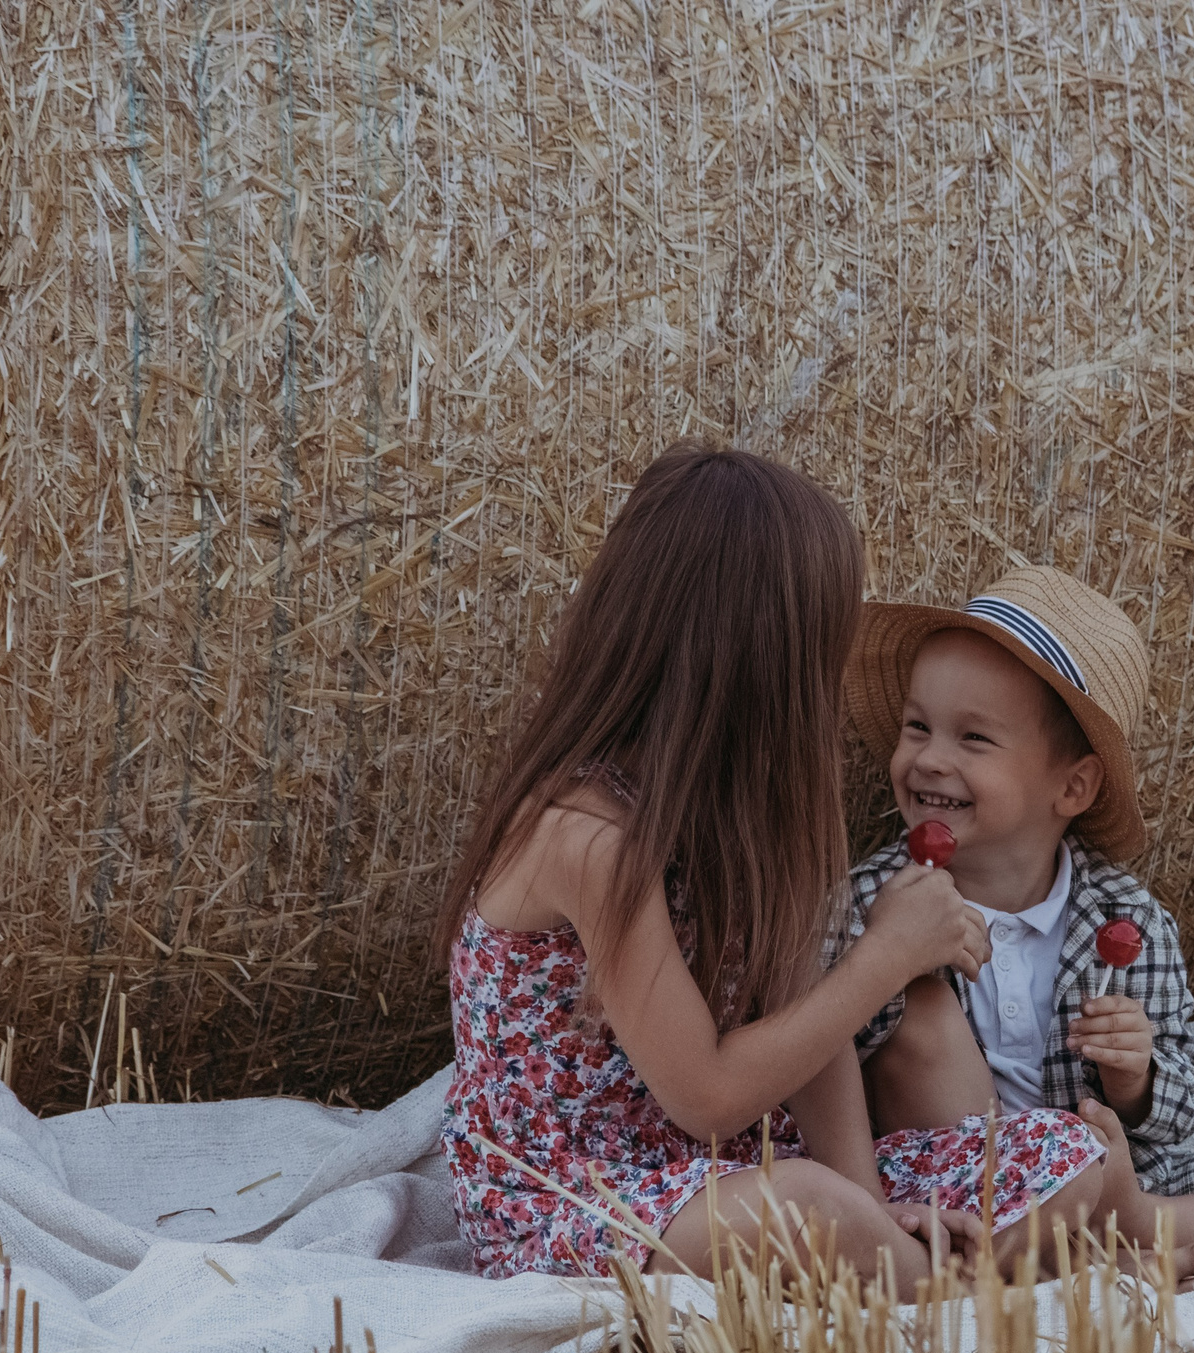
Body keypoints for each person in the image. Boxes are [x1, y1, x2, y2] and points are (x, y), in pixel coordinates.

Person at [430, 446, 1115, 1296]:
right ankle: (940, 1290)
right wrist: (883, 958)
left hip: (739, 1165)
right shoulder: (585, 838)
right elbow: (708, 1095)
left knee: (1067, 1158)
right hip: (581, 1196)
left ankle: (890, 1266)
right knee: (809, 1211)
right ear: (760, 661)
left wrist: (871, 1200)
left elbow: (805, 1032)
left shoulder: (747, 808)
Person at [832, 566, 1194, 1279]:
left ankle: (1134, 1228)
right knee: (922, 1013)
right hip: (951, 1185)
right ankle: (1074, 1250)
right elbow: (823, 1051)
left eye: (974, 738)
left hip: (1114, 1178)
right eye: (917, 727)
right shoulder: (873, 901)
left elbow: (1183, 1109)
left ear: (1073, 786)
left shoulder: (1126, 919)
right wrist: (890, 958)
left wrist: (1135, 1077)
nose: (930, 759)